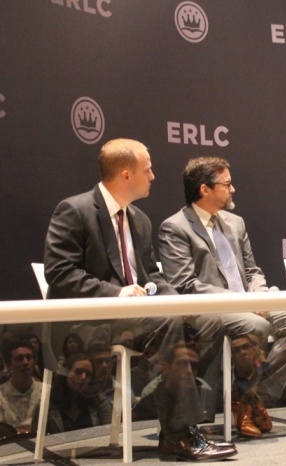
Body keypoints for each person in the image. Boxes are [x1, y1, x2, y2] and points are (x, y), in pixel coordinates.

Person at [43, 139, 236, 461]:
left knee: (206, 321)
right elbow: (60, 273)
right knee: (166, 324)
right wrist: (115, 292)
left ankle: (181, 428)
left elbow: (151, 276)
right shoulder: (74, 210)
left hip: (140, 317)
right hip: (85, 322)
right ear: (126, 174)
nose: (154, 176)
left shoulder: (140, 220)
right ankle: (180, 435)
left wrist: (177, 302)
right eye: (147, 169)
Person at [158, 156, 286, 435]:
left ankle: (247, 397)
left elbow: (253, 271)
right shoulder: (174, 228)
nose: (233, 190)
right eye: (227, 184)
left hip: (249, 303)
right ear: (204, 189)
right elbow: (184, 284)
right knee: (256, 324)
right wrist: (242, 304)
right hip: (211, 309)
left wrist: (257, 296)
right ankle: (247, 400)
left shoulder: (236, 223)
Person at [46, 353, 111, 434]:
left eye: (88, 374)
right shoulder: (47, 405)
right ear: (65, 374)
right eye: (78, 372)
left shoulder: (100, 402)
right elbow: (36, 440)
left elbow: (109, 435)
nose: (84, 377)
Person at [0, 339, 42, 433]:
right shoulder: (0, 394)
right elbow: (2, 433)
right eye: (19, 358)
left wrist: (15, 430)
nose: (25, 362)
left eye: (29, 357)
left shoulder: (46, 391)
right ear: (9, 364)